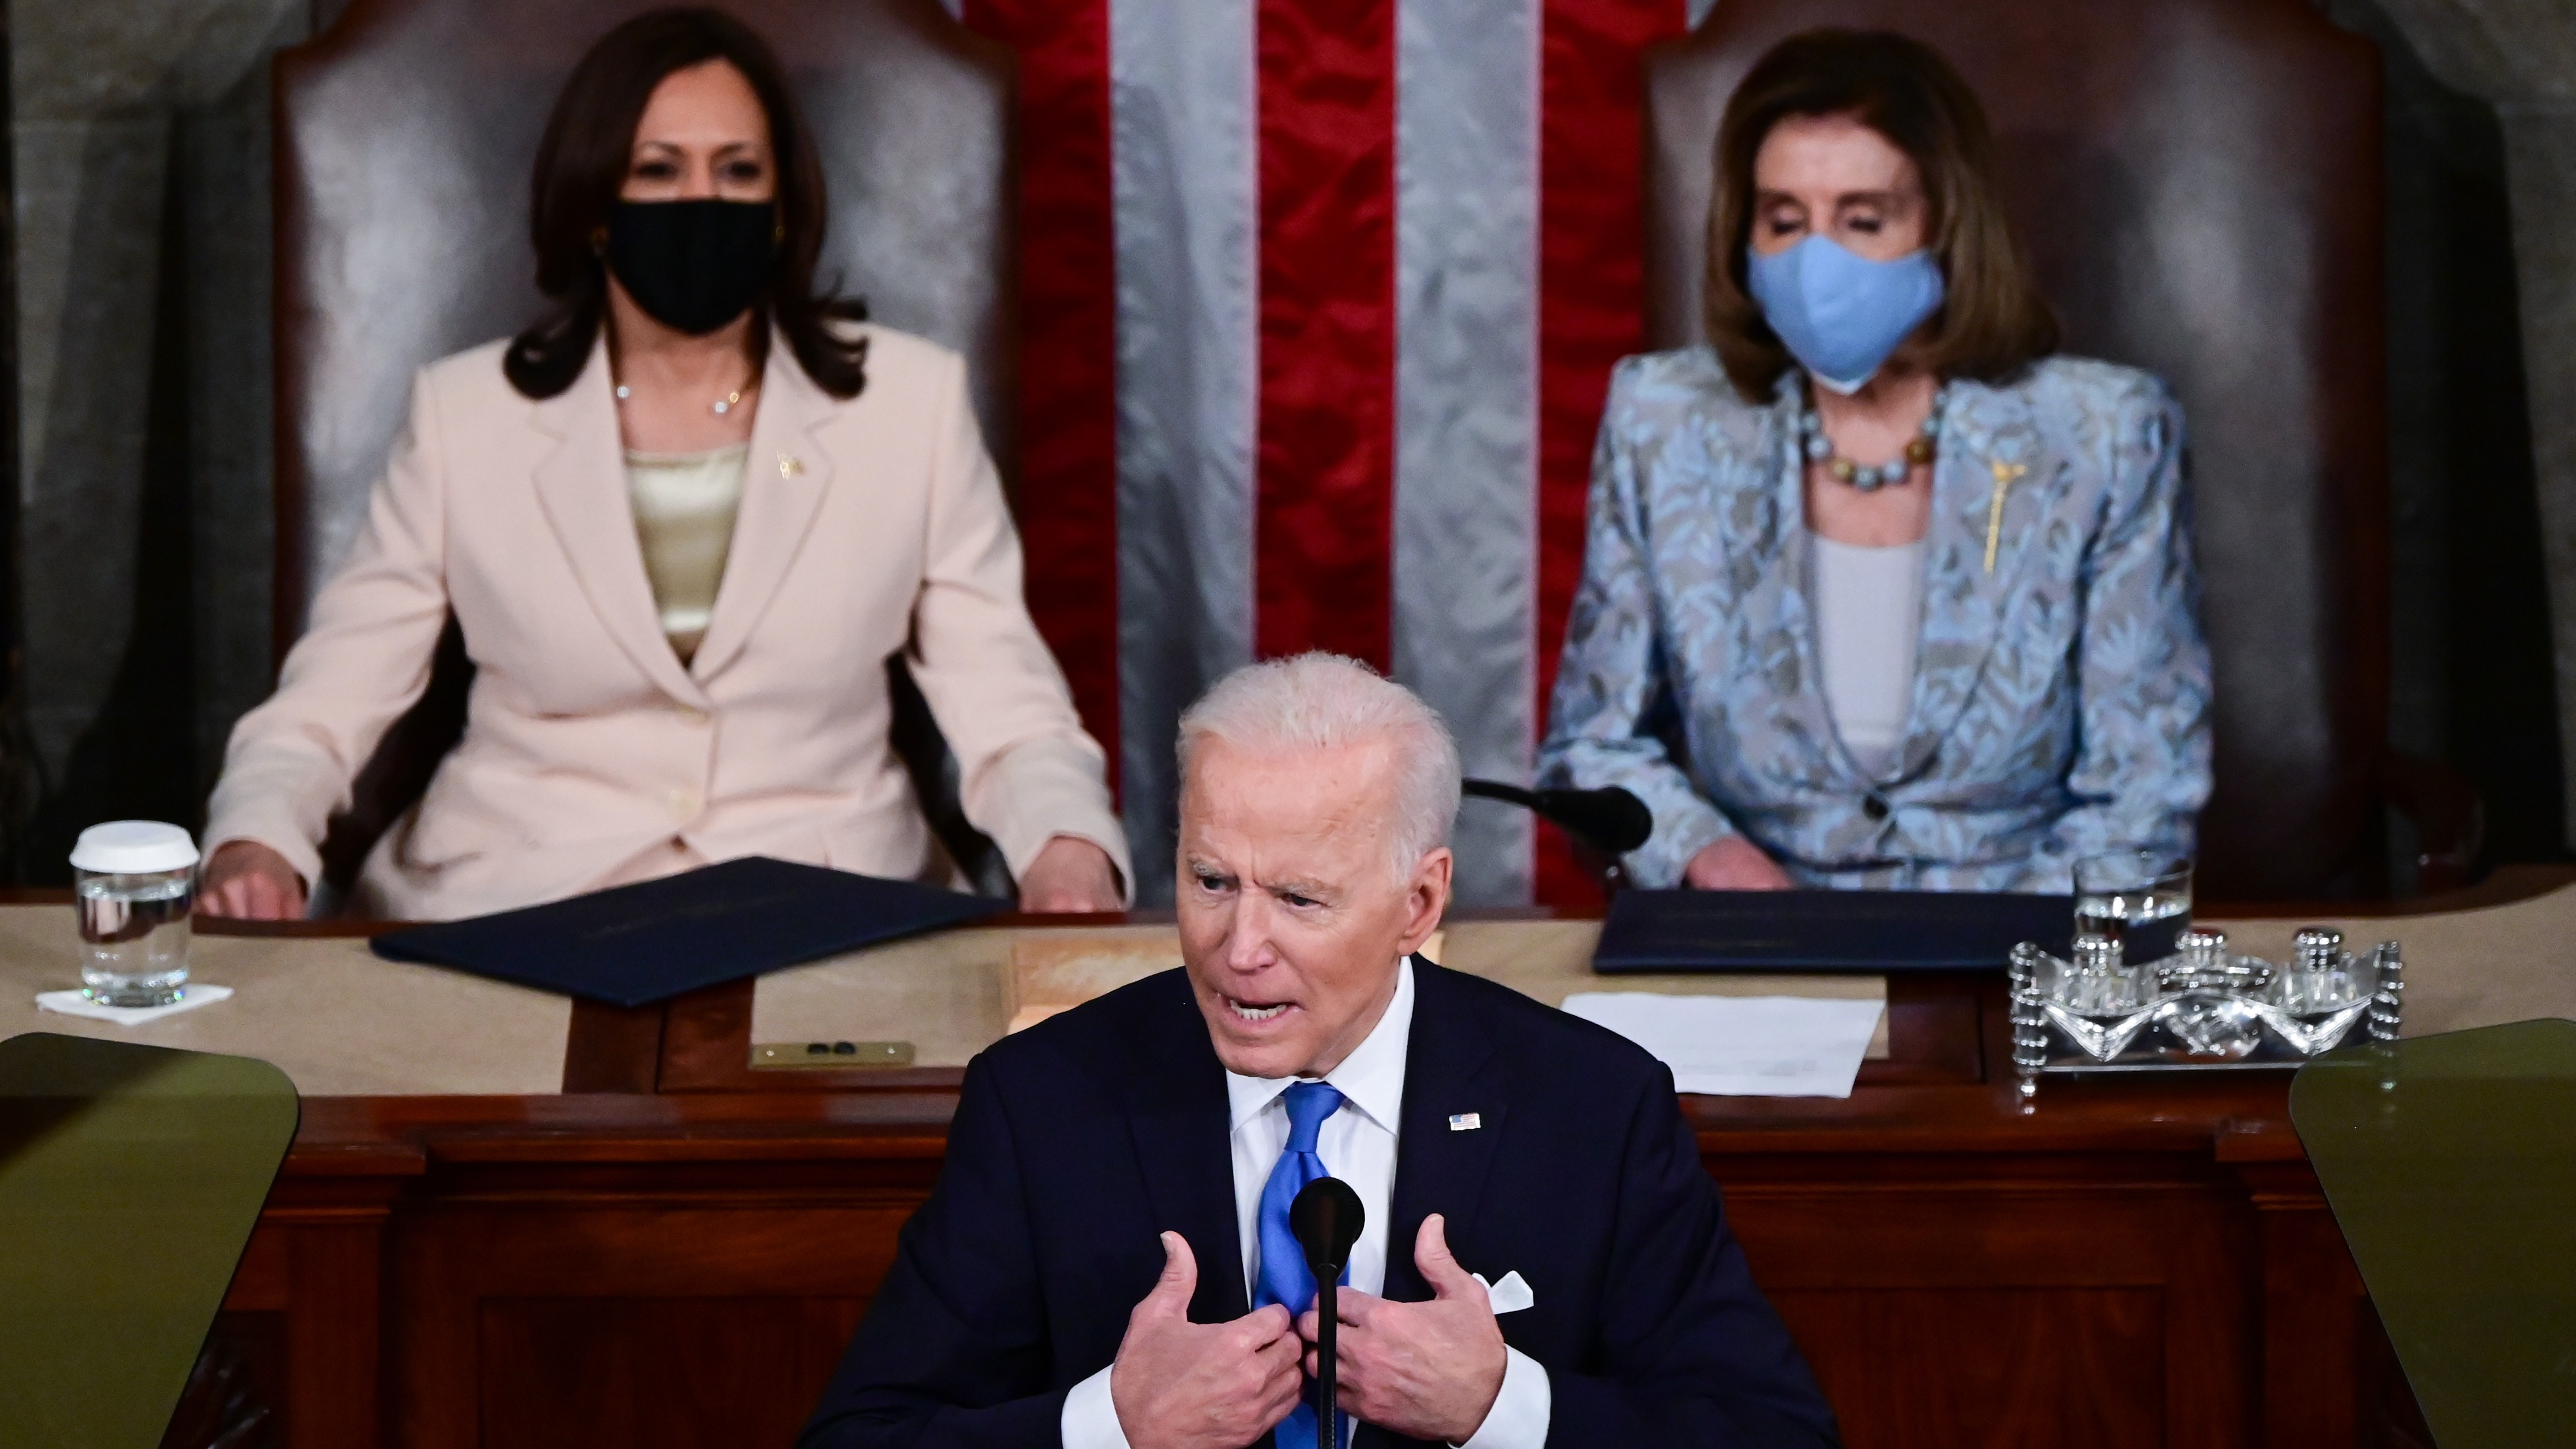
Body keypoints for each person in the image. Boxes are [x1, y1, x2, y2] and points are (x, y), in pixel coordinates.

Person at [199, 8, 1128, 920]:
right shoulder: (464, 416)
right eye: (657, 170)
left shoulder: (909, 405)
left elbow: (1012, 710)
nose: (701, 202)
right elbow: (327, 702)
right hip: (516, 898)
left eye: (737, 170)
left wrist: (1067, 847)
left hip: (832, 903)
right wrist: (258, 840)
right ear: (595, 206)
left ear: (780, 208)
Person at [800, 653, 1838, 1449]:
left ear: (1418, 902)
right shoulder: (1042, 1104)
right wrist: (1114, 1424)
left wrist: (1502, 1406)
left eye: (1299, 899)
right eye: (1211, 882)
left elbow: (1778, 1435)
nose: (1240, 948)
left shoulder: (1590, 1107)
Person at [1538, 29, 2212, 894]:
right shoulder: (1661, 421)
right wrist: (1712, 859)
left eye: (1864, 219)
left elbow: (2145, 787)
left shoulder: (2106, 434)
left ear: (1946, 225)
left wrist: (1995, 963)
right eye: (1784, 219)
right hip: (1758, 951)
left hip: (2017, 959)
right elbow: (1593, 748)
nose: (1817, 260)